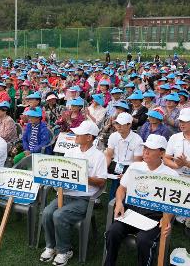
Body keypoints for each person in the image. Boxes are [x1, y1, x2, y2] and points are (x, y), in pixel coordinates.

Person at [104, 134, 178, 266]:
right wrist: (119, 203)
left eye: (151, 149)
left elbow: (174, 203)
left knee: (144, 240)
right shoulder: (135, 167)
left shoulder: (171, 175)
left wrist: (167, 217)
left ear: (161, 153)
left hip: (155, 216)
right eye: (145, 148)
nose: (146, 152)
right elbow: (122, 188)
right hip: (132, 212)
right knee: (112, 232)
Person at [40, 120, 107, 265]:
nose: (75, 134)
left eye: (79, 133)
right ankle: (50, 246)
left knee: (59, 215)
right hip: (65, 194)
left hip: (84, 198)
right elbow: (60, 172)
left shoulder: (98, 156)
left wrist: (83, 176)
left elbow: (102, 182)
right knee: (46, 213)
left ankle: (64, 250)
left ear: (89, 137)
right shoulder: (71, 151)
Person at [104, 112, 143, 199]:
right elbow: (109, 155)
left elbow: (137, 162)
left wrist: (128, 174)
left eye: (121, 124)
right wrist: (103, 169)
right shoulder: (113, 136)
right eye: (117, 123)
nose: (118, 126)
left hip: (129, 167)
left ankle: (119, 199)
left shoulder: (137, 140)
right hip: (115, 164)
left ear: (129, 125)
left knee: (122, 181)